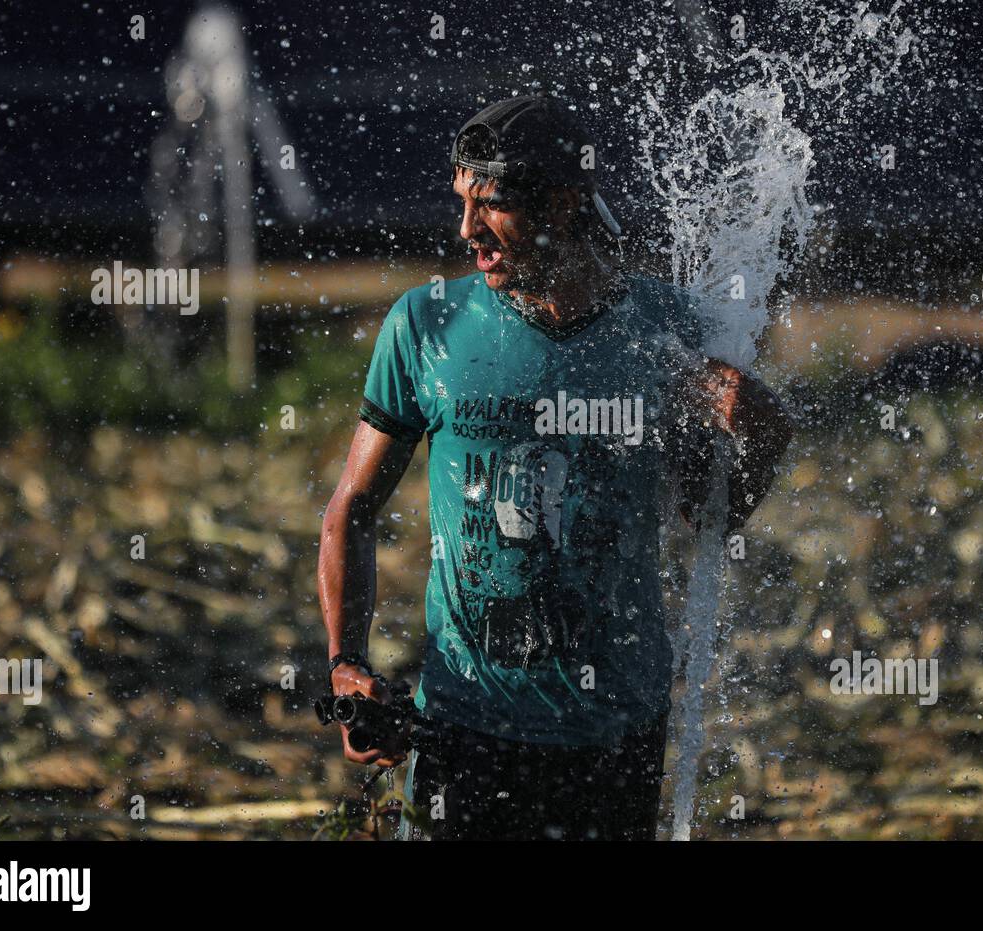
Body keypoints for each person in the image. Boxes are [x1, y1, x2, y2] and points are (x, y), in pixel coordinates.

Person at [318, 94, 793, 840]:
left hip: (613, 737)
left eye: (493, 207)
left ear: (566, 202)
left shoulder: (665, 331)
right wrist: (347, 662)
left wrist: (761, 438)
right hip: (464, 726)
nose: (467, 231)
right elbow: (351, 507)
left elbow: (711, 518)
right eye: (461, 203)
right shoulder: (427, 325)